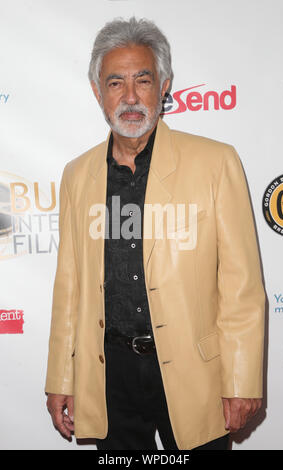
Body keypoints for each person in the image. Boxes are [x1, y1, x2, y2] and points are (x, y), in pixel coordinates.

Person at [45, 17, 265, 451]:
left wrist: (241, 379)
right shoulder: (77, 175)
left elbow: (242, 287)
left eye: (142, 80)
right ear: (97, 92)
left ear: (164, 86)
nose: (130, 97)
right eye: (115, 83)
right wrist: (60, 377)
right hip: (110, 375)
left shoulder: (215, 163)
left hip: (194, 372)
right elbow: (68, 288)